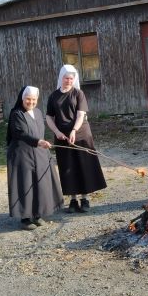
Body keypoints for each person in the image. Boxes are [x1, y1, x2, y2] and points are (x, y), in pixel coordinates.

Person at [46, 64, 107, 213]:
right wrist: (56, 131)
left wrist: (74, 130)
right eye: (66, 78)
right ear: (61, 78)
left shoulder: (78, 94)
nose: (68, 81)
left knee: (83, 165)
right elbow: (49, 116)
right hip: (62, 136)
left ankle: (84, 199)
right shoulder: (53, 96)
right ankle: (73, 200)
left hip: (80, 134)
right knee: (68, 167)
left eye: (71, 79)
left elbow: (81, 115)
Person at [6, 86, 64, 230]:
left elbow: (39, 132)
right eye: (28, 99)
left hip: (39, 153)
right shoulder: (16, 114)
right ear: (22, 99)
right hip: (21, 155)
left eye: (33, 99)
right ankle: (25, 218)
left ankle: (38, 214)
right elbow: (20, 133)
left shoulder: (38, 112)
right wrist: (38, 142)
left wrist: (42, 143)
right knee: (25, 184)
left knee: (39, 183)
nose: (30, 102)